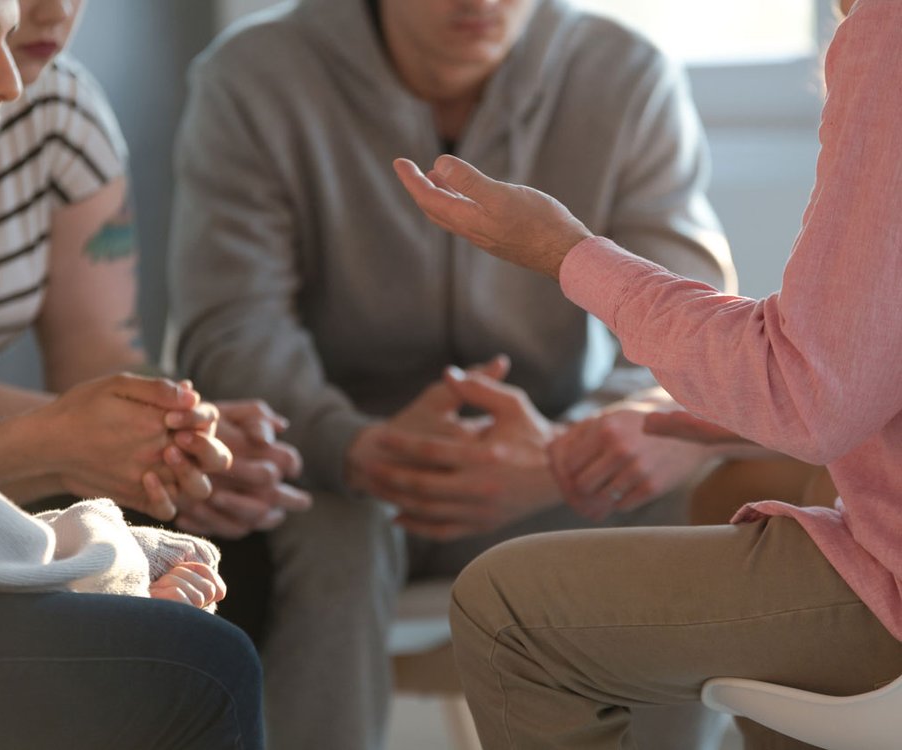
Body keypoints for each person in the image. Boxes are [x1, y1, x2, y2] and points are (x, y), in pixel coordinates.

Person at [168, 0, 736, 746]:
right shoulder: (254, 75)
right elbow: (233, 325)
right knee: (325, 529)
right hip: (335, 470)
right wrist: (352, 446)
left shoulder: (624, 74)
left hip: (548, 468)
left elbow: (695, 329)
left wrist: (570, 450)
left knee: (692, 492)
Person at [393, 0, 902, 746]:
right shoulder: (266, 73)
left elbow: (817, 390)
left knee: (506, 610)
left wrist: (567, 253)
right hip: (374, 464)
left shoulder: (885, 32)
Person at [0, 0, 263, 746]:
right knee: (203, 663)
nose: (7, 79)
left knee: (224, 529)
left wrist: (166, 432)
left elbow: (100, 365)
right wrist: (112, 557)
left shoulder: (64, 111)